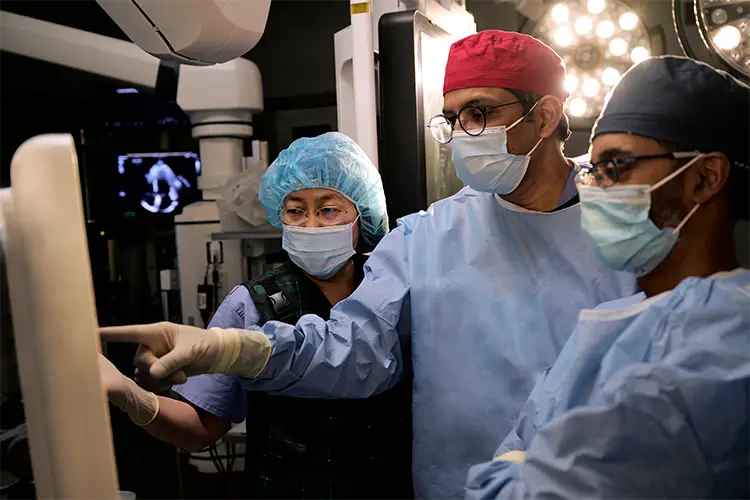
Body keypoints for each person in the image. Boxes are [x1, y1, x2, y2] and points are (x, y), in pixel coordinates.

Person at [101, 31, 637, 500]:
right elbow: (353, 348)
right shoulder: (426, 238)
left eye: (480, 113)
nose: (464, 134)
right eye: (452, 119)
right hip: (457, 485)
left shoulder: (632, 226)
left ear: (544, 116)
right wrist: (234, 347)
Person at [465, 55, 750, 500]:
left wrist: (520, 469)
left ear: (704, 178)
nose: (593, 189)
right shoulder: (612, 324)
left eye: (616, 167)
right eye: (593, 170)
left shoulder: (728, 345)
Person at [98, 132, 413, 499]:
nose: (310, 225)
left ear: (363, 215)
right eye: (296, 210)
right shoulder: (250, 304)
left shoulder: (391, 292)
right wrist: (131, 396)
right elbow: (200, 428)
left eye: (328, 210)